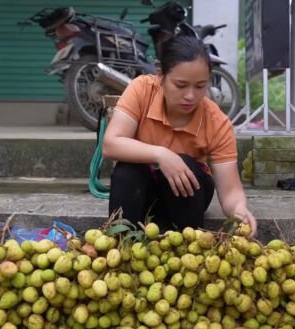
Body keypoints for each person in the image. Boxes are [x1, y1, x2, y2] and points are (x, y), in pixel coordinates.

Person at [102, 36, 257, 236]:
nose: (190, 96)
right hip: (141, 193)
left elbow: (230, 192)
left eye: (200, 86)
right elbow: (111, 144)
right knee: (127, 171)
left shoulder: (217, 122)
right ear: (161, 77)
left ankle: (188, 249)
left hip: (187, 199)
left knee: (187, 165)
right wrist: (162, 155)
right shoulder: (142, 90)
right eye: (180, 85)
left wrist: (240, 211)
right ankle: (120, 243)